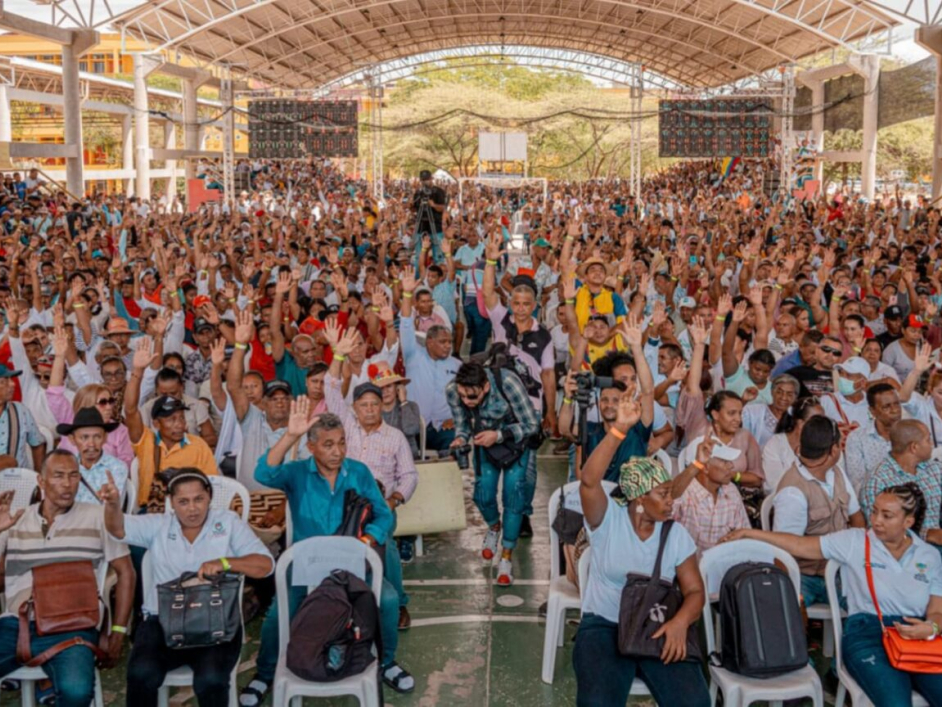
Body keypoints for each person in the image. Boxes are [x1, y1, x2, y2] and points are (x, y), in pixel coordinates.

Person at [244, 405, 413, 705]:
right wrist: (289, 436)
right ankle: (265, 674)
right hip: (308, 567)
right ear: (311, 447)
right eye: (328, 444)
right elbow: (263, 473)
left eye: (342, 442)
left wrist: (366, 539)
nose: (337, 451)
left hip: (353, 565)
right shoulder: (297, 473)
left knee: (387, 600)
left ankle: (386, 662)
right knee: (278, 614)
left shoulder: (358, 472)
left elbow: (383, 516)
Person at [722, 484, 942, 707]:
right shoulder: (856, 541)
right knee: (895, 702)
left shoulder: (930, 556)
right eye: (874, 511)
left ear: (908, 522)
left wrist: (931, 628)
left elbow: (936, 611)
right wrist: (750, 533)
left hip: (918, 638)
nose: (876, 521)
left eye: (887, 516)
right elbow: (800, 545)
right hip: (867, 633)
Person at [574, 393, 709, 707]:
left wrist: (679, 623)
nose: (670, 500)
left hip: (658, 622)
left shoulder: (674, 533)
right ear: (637, 499)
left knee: (694, 703)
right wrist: (620, 428)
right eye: (662, 494)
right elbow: (589, 482)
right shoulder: (608, 521)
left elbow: (694, 592)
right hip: (604, 625)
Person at [101, 467, 274, 707]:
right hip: (162, 621)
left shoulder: (228, 523)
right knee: (141, 673)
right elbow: (117, 529)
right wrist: (112, 505)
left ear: (209, 497)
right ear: (171, 502)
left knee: (211, 680)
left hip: (215, 623)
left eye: (198, 499)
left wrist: (225, 563)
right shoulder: (160, 525)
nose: (192, 508)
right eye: (183, 501)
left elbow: (265, 565)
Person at [0, 451, 135, 707]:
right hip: (17, 624)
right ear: (41, 481)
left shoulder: (98, 516)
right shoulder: (15, 518)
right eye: (59, 476)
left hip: (74, 626)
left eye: (74, 476)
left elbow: (126, 570)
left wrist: (118, 631)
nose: (67, 483)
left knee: (76, 691)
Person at [324, 323, 419, 629]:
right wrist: (338, 355)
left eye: (374, 404)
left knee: (386, 543)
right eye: (363, 405)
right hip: (344, 500)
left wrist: (394, 499)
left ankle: (399, 603)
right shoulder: (346, 427)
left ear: (382, 406)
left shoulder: (394, 437)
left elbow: (409, 475)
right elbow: (330, 387)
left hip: (379, 504)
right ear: (354, 408)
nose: (368, 410)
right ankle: (332, 598)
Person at [446, 360, 541, 586]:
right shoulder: (452, 390)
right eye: (463, 396)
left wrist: (498, 435)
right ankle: (493, 527)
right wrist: (460, 437)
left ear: (486, 387)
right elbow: (462, 424)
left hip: (516, 444)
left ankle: (506, 556)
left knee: (514, 497)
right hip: (485, 446)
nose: (467, 401)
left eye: (472, 397)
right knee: (482, 494)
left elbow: (531, 424)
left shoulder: (508, 383)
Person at [772, 415, 866, 605]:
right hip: (805, 575)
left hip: (841, 570)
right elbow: (783, 551)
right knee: (788, 611)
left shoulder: (836, 473)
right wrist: (792, 594)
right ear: (833, 450)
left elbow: (856, 518)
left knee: (873, 605)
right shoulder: (793, 492)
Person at [124, 337, 217, 510]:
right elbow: (130, 410)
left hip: (189, 513)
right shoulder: (146, 442)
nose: (179, 424)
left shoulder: (198, 446)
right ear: (157, 424)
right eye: (171, 419)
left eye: (181, 418)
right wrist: (137, 371)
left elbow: (211, 486)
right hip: (152, 513)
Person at [399, 268, 461, 455]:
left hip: (444, 428)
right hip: (414, 427)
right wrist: (407, 294)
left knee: (454, 452)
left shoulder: (456, 366)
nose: (448, 346)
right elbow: (405, 323)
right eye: (443, 342)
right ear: (429, 342)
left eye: (450, 342)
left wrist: (457, 418)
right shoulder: (413, 355)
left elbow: (465, 398)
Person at [862, 420, 942, 547]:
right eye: (928, 440)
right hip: (903, 551)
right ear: (914, 447)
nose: (931, 444)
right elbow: (879, 530)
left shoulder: (933, 468)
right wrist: (927, 534)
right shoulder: (879, 481)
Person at [56, 406, 128, 504]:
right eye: (84, 437)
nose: (91, 444)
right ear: (72, 439)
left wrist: (110, 499)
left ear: (105, 438)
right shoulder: (65, 467)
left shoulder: (117, 467)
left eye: (97, 437)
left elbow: (112, 510)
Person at [844, 383, 902, 494]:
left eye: (897, 404)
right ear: (872, 411)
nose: (895, 410)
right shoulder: (857, 439)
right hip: (872, 499)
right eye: (886, 407)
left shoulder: (910, 434)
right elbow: (857, 483)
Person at [762, 396, 826, 492]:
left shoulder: (827, 444)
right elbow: (773, 485)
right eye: (817, 422)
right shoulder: (775, 444)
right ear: (800, 424)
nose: (823, 427)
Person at [741, 374, 800, 447]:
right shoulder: (753, 411)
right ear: (772, 392)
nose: (783, 397)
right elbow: (736, 422)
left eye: (789, 394)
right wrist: (743, 401)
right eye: (779, 392)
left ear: (796, 398)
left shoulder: (798, 419)